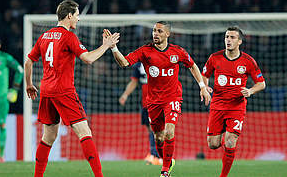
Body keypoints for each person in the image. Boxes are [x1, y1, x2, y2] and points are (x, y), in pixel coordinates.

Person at [24, 0, 119, 177]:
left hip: (46, 91)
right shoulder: (68, 37)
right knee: (85, 132)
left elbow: (28, 61)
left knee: (48, 137)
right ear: (69, 15)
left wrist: (29, 84)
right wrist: (106, 46)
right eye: (76, 15)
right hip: (63, 91)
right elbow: (88, 59)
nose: (78, 19)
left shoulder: (44, 36)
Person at [105, 21, 211, 177]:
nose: (155, 34)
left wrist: (202, 86)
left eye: (160, 31)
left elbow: (192, 66)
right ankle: (168, 161)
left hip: (173, 98)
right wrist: (113, 48)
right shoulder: (145, 51)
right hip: (153, 101)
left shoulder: (177, 52)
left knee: (169, 132)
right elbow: (124, 62)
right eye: (154, 31)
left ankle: (165, 170)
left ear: (167, 34)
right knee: (158, 137)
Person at [201, 26, 266, 177]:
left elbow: (262, 83)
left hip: (236, 107)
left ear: (240, 41)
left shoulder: (248, 61)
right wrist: (204, 87)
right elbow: (204, 75)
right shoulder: (214, 58)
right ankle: (226, 129)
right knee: (213, 144)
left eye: (232, 37)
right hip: (217, 105)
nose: (228, 40)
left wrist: (250, 91)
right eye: (227, 37)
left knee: (230, 141)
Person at [119, 62, 162, 165]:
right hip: (145, 103)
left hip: (158, 101)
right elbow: (133, 82)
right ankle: (154, 154)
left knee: (157, 129)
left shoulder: (159, 61)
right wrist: (125, 95)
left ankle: (157, 155)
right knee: (149, 128)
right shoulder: (139, 66)